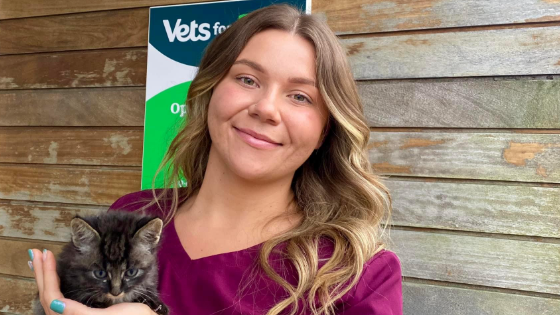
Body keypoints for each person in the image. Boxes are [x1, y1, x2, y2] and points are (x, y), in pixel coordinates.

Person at [29, 4, 402, 315]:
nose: (266, 108)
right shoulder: (134, 213)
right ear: (209, 91)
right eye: (247, 80)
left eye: (300, 97)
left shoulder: (359, 272)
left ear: (325, 130)